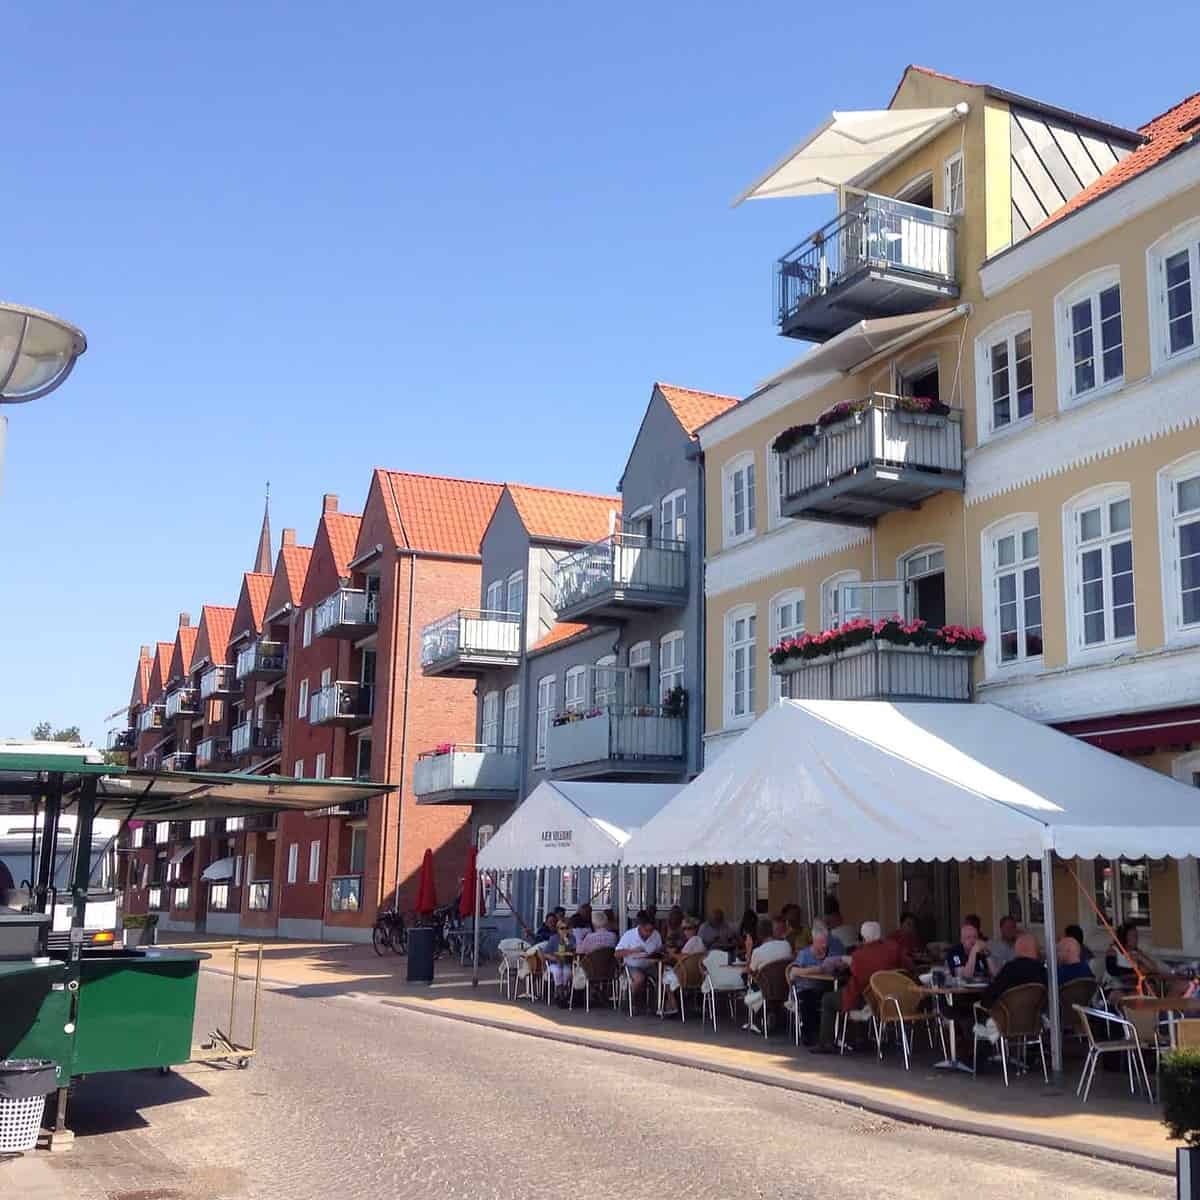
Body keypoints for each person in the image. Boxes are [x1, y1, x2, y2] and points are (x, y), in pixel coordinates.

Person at [813, 921, 912, 1053]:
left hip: (868, 999)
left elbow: (856, 977)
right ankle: (859, 1038)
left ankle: (827, 1043)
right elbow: (908, 966)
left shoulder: (859, 955)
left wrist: (846, 962)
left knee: (828, 999)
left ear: (863, 937)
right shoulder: (894, 948)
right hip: (891, 999)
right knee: (858, 994)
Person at [788, 922, 846, 1047]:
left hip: (824, 986)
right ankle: (809, 1034)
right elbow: (793, 971)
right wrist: (815, 970)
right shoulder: (804, 954)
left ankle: (831, 1035)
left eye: (825, 942)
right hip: (806, 988)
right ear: (814, 941)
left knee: (832, 998)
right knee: (809, 999)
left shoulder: (831, 953)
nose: (824, 945)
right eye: (821, 942)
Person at [978, 933, 1046, 1011]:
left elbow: (988, 998)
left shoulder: (1010, 968)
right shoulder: (1043, 971)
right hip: (1034, 1016)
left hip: (1007, 1016)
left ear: (1017, 949)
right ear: (1036, 950)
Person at [616, 909, 664, 1013]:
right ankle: (629, 1001)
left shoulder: (656, 934)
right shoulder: (629, 935)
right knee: (639, 978)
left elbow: (660, 949)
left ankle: (658, 1005)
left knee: (663, 978)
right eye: (646, 930)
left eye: (651, 930)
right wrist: (633, 951)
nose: (649, 933)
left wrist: (656, 953)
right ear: (640, 927)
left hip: (649, 964)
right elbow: (617, 953)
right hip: (632, 965)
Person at [661, 916, 708, 1014]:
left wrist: (672, 954)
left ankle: (672, 1005)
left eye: (689, 928)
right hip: (699, 977)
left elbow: (683, 957)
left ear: (695, 929)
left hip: (686, 976)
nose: (686, 931)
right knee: (669, 972)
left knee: (665, 975)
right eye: (684, 929)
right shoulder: (700, 941)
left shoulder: (693, 941)